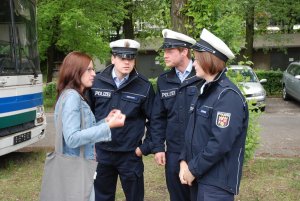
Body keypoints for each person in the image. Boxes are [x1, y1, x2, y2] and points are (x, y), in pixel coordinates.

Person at [179, 28, 249, 201]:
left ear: (208, 60)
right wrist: (183, 161)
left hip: (216, 184)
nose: (193, 64)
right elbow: (191, 133)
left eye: (196, 59)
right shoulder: (205, 90)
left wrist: (192, 169)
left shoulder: (228, 96)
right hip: (199, 177)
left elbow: (220, 144)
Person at [88, 39, 155, 201]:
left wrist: (145, 147)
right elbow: (88, 116)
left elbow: (155, 119)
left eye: (130, 58)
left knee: (134, 197)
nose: (127, 62)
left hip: (130, 155)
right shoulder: (96, 82)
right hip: (102, 154)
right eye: (122, 58)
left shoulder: (144, 86)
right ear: (113, 59)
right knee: (101, 197)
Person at [54, 51, 126, 201]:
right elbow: (72, 138)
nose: (94, 74)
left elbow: (82, 130)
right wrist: (107, 127)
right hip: (76, 170)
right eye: (89, 70)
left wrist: (105, 122)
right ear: (75, 71)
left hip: (75, 168)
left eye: (93, 69)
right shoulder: (72, 97)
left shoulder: (70, 95)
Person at [150, 29, 202, 201]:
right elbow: (158, 117)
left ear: (184, 51)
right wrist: (158, 147)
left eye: (170, 51)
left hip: (198, 152)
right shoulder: (164, 80)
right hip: (173, 151)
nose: (165, 55)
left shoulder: (202, 75)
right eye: (164, 51)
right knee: (177, 196)